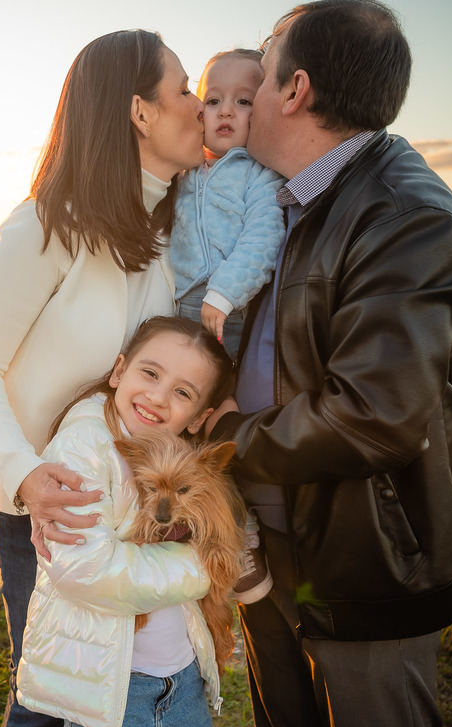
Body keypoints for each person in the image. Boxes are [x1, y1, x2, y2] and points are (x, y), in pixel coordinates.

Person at [205, 2, 452, 727]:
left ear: (295, 90)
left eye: (258, 78)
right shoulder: (293, 199)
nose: (244, 99)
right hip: (278, 549)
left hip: (366, 563)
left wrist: (229, 435)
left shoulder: (406, 217)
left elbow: (374, 412)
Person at [0, 29, 204, 727]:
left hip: (128, 496)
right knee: (48, 699)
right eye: (185, 90)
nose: (199, 107)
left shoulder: (168, 230)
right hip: (45, 495)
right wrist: (25, 477)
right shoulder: (46, 224)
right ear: (138, 112)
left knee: (114, 690)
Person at [16, 316, 235, 727]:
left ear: (200, 416)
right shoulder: (83, 448)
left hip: (181, 678)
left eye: (183, 393)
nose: (158, 398)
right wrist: (209, 568)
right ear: (118, 371)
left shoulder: (182, 455)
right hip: (112, 686)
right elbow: (87, 570)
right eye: (150, 374)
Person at [169, 47, 287, 604]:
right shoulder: (189, 170)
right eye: (212, 98)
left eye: (243, 101)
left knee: (216, 434)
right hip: (178, 322)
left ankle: (240, 538)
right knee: (175, 431)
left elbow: (264, 239)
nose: (223, 111)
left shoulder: (258, 178)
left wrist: (224, 293)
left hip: (227, 325)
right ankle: (178, 530)